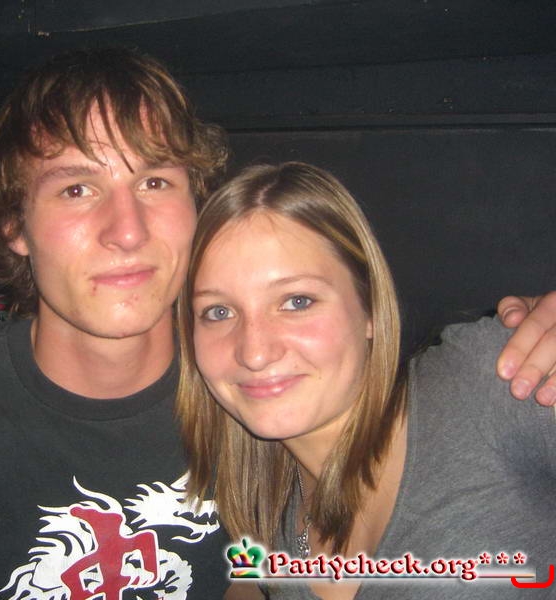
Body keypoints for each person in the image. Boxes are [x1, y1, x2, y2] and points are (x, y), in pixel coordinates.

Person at [0, 48, 555, 600]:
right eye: (77, 188)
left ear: (196, 208)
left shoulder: (258, 390)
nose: (127, 230)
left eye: (154, 181)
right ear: (15, 228)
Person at [176, 162, 556, 599]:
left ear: (370, 309)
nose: (255, 352)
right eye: (219, 312)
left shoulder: (492, 379)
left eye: (297, 301)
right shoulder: (266, 520)